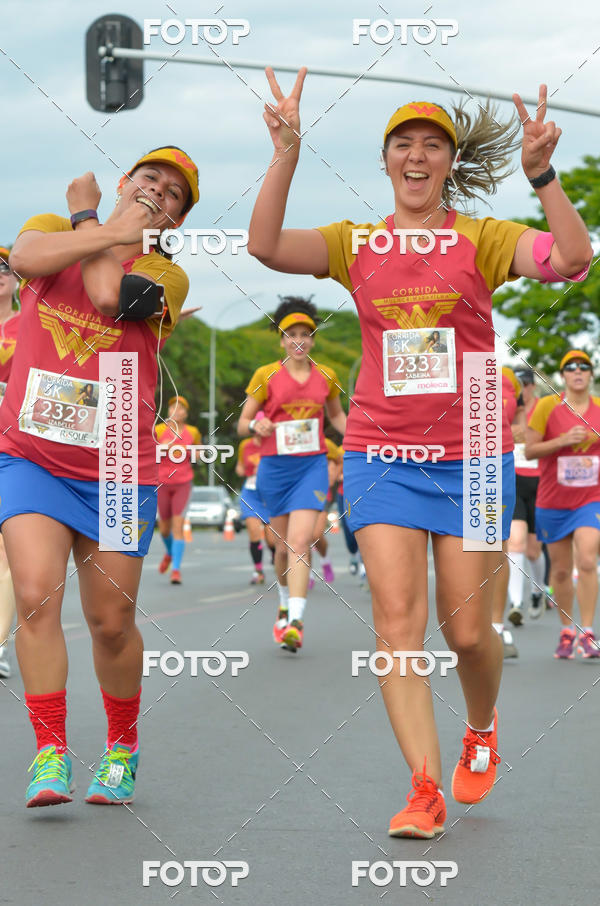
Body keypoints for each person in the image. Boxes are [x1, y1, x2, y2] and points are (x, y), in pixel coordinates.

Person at [248, 69, 592, 836]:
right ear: (385, 161)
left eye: (431, 144)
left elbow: (574, 258)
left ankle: (481, 728)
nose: (416, 155)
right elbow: (265, 246)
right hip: (380, 454)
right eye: (402, 143)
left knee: (466, 631)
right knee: (397, 619)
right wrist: (286, 153)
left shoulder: (484, 238)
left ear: (448, 162)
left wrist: (543, 177)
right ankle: (424, 788)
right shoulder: (355, 243)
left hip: (472, 456)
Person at [0, 145, 198, 807]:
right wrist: (93, 223)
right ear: (124, 181)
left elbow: (109, 294)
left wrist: (94, 219)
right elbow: (24, 258)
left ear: (176, 220)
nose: (158, 192)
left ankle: (121, 748)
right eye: (150, 179)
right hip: (30, 456)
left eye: (173, 194)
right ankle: (50, 752)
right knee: (35, 594)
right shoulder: (48, 229)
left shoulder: (167, 276)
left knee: (110, 620)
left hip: (117, 467)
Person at [238, 296, 346, 652]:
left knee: (301, 542)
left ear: (313, 339)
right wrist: (257, 425)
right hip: (274, 469)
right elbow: (242, 423)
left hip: (311, 467)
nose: (299, 341)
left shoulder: (326, 376)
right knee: (282, 548)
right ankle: (284, 606)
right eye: (291, 335)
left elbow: (336, 417)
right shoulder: (265, 375)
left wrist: (364, 439)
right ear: (282, 340)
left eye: (305, 334)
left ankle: (296, 621)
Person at [526, 350, 600, 659]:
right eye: (571, 367)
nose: (578, 371)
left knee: (587, 560)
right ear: (563, 375)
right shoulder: (547, 406)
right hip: (553, 501)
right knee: (559, 571)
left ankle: (588, 632)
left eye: (584, 366)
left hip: (591, 500)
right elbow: (530, 451)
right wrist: (563, 440)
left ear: (591, 374)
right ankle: (567, 631)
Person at [491, 368, 526, 658]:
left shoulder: (506, 377)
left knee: (489, 548)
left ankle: (495, 627)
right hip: (436, 463)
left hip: (482, 470)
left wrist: (514, 430)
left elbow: (521, 421)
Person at [507, 367, 545, 622]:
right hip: (515, 481)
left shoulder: (544, 408)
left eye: (526, 384)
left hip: (541, 483)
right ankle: (516, 604)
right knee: (516, 542)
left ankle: (537, 591)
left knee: (533, 551)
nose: (522, 389)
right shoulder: (508, 407)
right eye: (518, 384)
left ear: (533, 386)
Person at [155, 395, 201, 584]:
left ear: (185, 414)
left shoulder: (192, 432)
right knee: (164, 530)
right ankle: (169, 552)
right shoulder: (158, 430)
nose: (175, 411)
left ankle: (175, 570)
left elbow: (199, 453)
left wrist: (196, 454)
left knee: (177, 527)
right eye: (172, 407)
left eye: (180, 408)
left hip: (183, 483)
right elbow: (147, 453)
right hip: (162, 484)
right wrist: (161, 447)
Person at [0, 246, 20, 678]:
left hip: (15, 447)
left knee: (6, 552)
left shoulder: (32, 321)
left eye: (4, 267)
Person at [235, 421, 276, 584]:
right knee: (253, 530)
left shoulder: (274, 443)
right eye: (258, 427)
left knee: (272, 538)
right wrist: (241, 470)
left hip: (269, 493)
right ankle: (258, 571)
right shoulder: (245, 445)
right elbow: (240, 466)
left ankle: (275, 554)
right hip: (251, 492)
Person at [308, 437, 343, 588]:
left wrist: (333, 477)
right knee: (303, 537)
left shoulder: (327, 444)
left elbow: (339, 461)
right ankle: (307, 573)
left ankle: (325, 560)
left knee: (316, 535)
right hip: (301, 492)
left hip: (321, 492)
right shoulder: (295, 443)